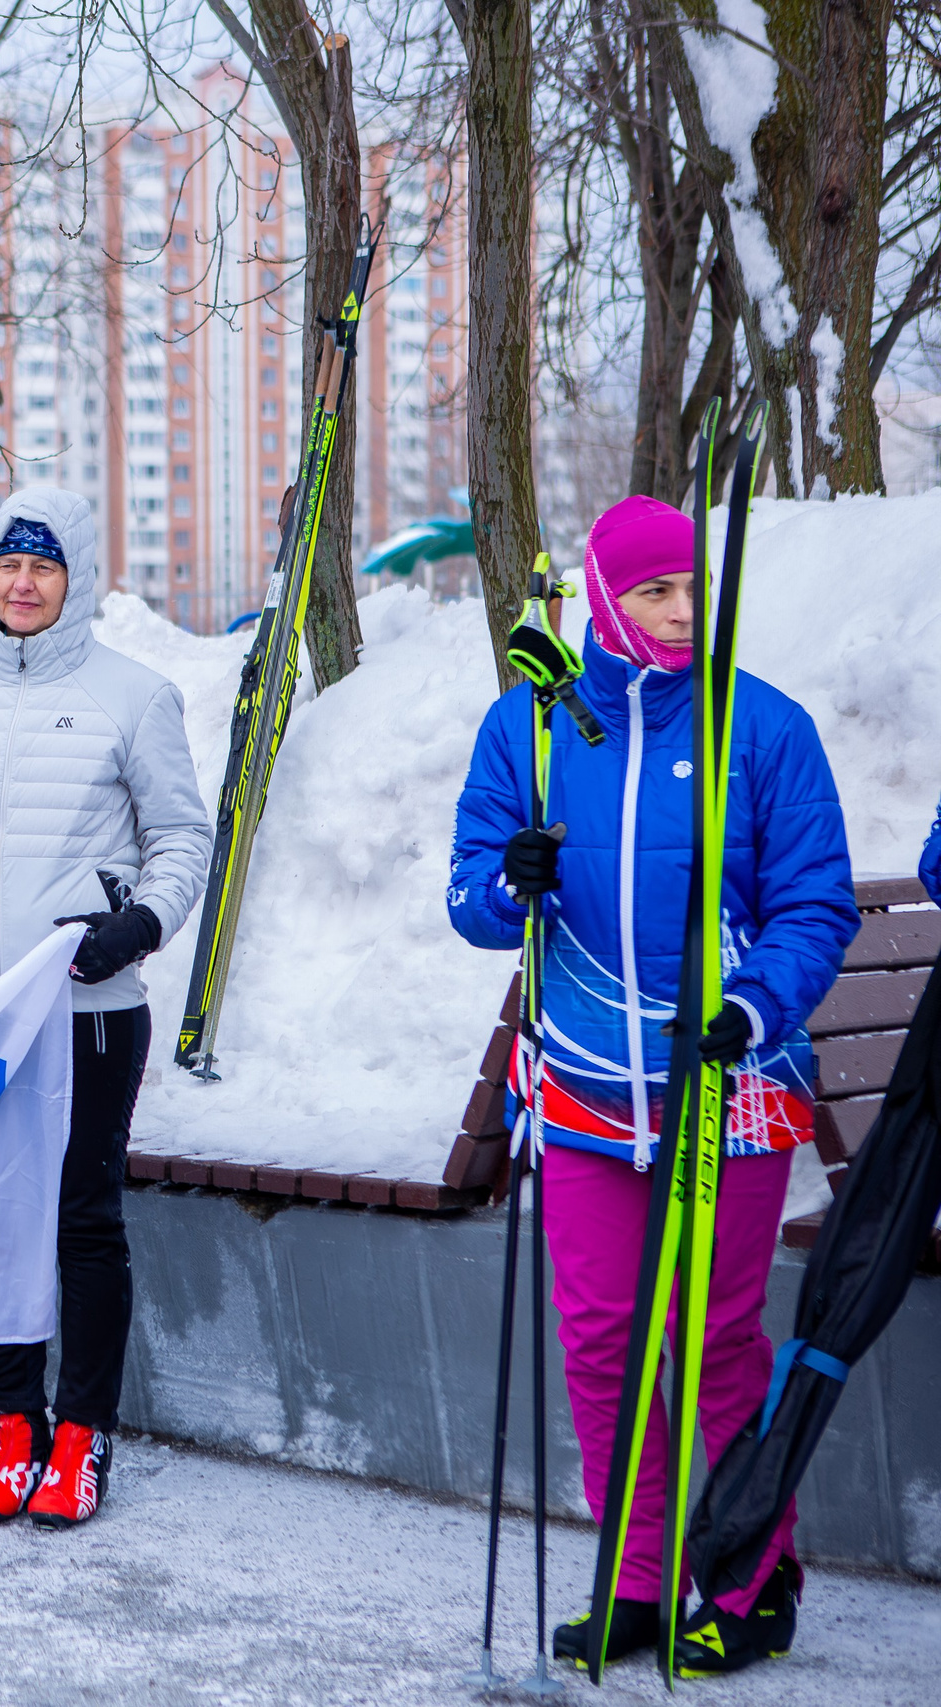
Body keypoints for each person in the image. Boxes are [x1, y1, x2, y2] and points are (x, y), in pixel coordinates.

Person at [448, 494, 857, 1677]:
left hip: (724, 1086)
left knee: (713, 1341)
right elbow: (469, 896)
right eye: (653, 593)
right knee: (601, 1343)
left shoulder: (759, 726)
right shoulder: (533, 727)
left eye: (692, 589)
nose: (682, 612)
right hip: (586, 1088)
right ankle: (634, 1580)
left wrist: (752, 1006)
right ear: (602, 601)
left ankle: (747, 1578)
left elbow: (814, 904)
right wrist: (508, 883)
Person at [0, 489, 209, 1527]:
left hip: (84, 1007)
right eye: (8, 564)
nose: (22, 583)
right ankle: (15, 1429)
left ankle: (81, 1437)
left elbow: (182, 837)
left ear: (76, 579)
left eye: (44, 566)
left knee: (81, 1220)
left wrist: (138, 926)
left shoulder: (134, 697)